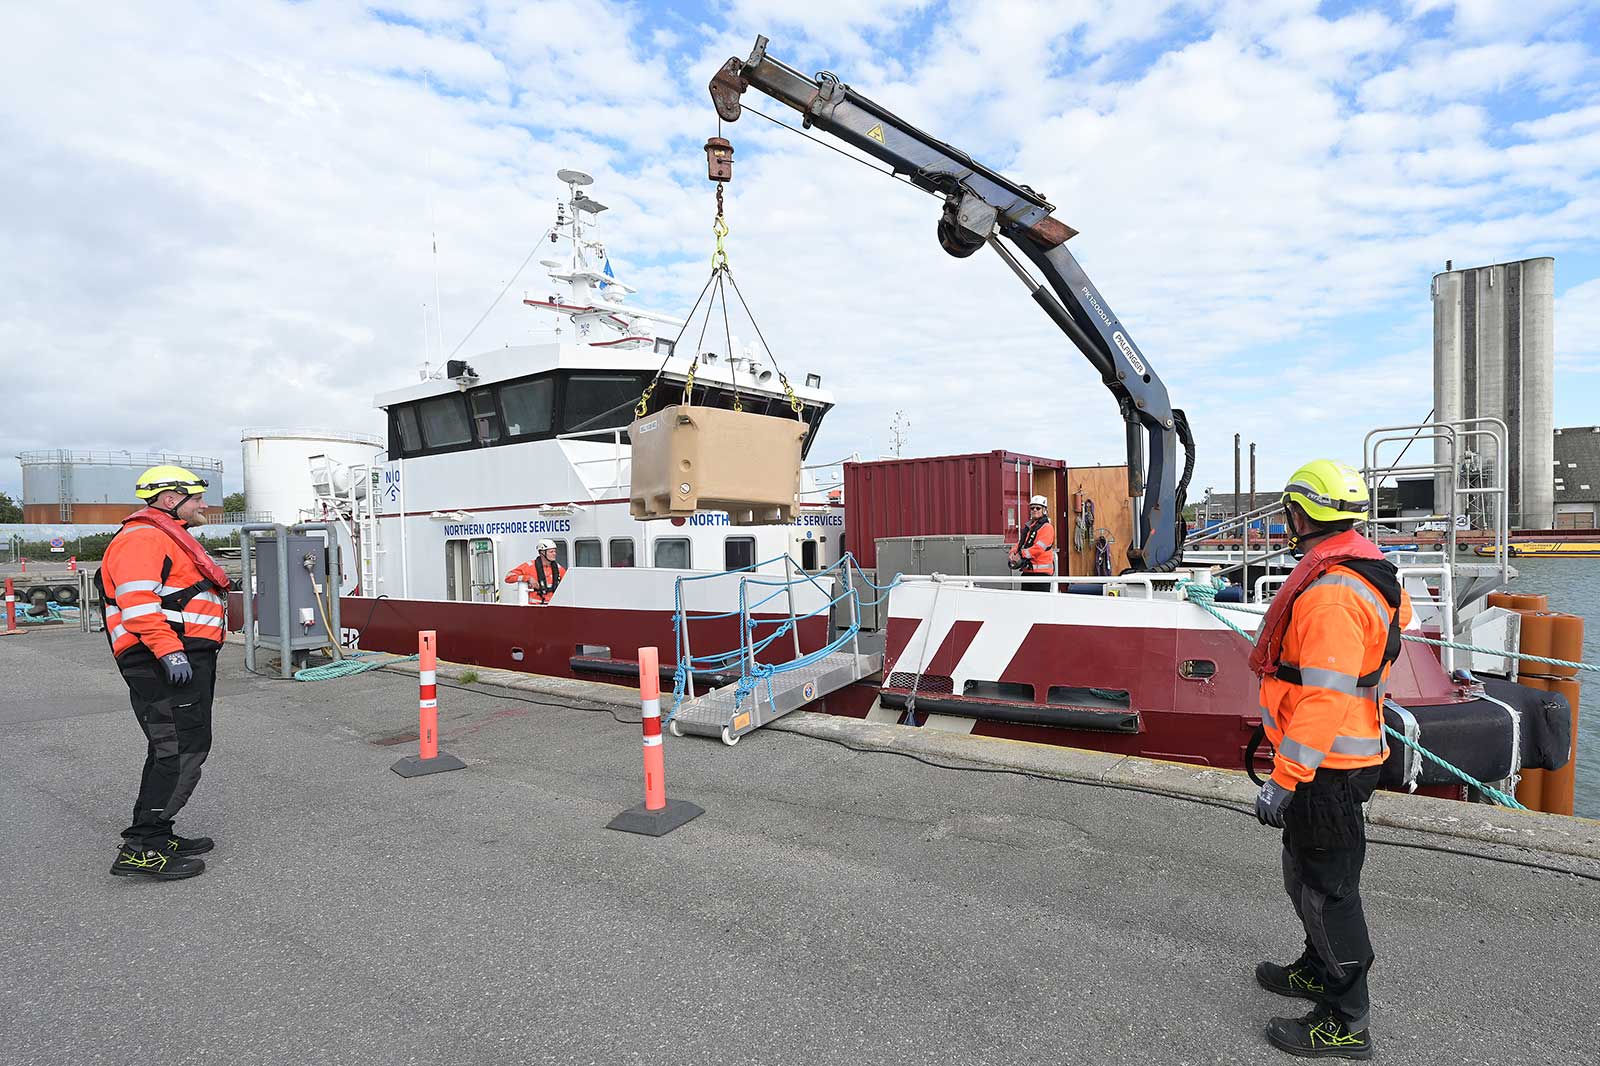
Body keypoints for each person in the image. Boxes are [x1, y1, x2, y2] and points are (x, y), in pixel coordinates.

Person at [1249, 459, 1412, 1060]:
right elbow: (1394, 633)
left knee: (1327, 891)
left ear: (1300, 514)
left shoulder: (1329, 596)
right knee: (1306, 874)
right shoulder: (1365, 569)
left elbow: (1324, 694)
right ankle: (1318, 968)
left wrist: (1284, 778)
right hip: (1340, 756)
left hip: (1326, 768)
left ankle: (1346, 1021)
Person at [98, 465, 231, 881]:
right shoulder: (143, 537)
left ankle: (158, 832)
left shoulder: (160, 534)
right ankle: (142, 847)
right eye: (196, 498)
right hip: (163, 658)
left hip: (178, 655)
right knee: (179, 747)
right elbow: (137, 603)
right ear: (170, 499)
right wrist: (170, 652)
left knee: (172, 744)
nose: (204, 505)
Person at [1009, 495, 1055, 591]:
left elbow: (1038, 548)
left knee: (1039, 604)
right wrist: (1012, 552)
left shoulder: (1047, 528)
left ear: (1044, 510)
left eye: (1038, 508)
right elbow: (1021, 543)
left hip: (1041, 574)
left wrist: (1021, 554)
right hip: (1028, 572)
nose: (1034, 510)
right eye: (1032, 508)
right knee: (1026, 604)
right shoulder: (1030, 527)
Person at [504, 539, 565, 605]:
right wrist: (528, 578)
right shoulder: (529, 566)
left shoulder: (559, 569)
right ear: (542, 553)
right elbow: (508, 577)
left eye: (555, 551)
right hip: (534, 609)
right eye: (551, 552)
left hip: (553, 606)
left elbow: (568, 583)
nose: (554, 554)